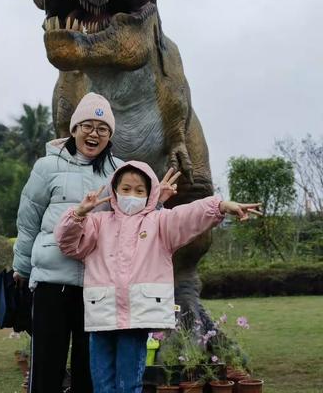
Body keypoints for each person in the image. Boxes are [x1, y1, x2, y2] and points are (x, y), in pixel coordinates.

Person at [54, 161, 261, 393]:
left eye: (139, 190)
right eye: (125, 188)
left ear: (149, 194)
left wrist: (220, 205)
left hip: (137, 318)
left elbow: (188, 215)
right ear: (114, 191)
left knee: (129, 384)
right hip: (102, 314)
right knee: (101, 383)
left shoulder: (160, 223)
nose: (132, 195)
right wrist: (78, 214)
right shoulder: (97, 222)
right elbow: (67, 243)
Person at [13, 92, 123, 393]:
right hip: (51, 281)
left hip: (97, 284)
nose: (94, 134)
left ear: (110, 136)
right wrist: (21, 266)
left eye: (103, 129)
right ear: (73, 129)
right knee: (47, 367)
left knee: (90, 371)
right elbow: (28, 221)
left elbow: (137, 217)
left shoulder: (120, 172)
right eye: (87, 125)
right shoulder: (46, 167)